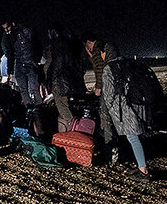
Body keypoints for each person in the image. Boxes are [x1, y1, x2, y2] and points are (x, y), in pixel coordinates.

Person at [101, 43, 152, 179]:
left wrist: (112, 110)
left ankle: (143, 170)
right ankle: (141, 166)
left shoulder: (109, 68)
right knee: (137, 136)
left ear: (105, 53)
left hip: (125, 107)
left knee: (132, 137)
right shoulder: (128, 63)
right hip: (139, 104)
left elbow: (109, 94)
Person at [82, 32, 118, 162]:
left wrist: (98, 87)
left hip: (106, 88)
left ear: (88, 42)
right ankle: (113, 144)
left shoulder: (97, 48)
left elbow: (99, 69)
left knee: (105, 116)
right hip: (114, 87)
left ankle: (110, 149)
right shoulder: (104, 47)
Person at [44, 25, 85, 132]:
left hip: (61, 81)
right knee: (70, 107)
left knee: (63, 108)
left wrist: (51, 80)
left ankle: (72, 133)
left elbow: (57, 64)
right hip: (73, 81)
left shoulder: (58, 44)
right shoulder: (71, 43)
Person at [13, 20, 43, 106]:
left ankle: (30, 106)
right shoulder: (30, 32)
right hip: (29, 62)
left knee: (25, 89)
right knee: (33, 88)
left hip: (25, 63)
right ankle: (37, 106)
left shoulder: (16, 34)